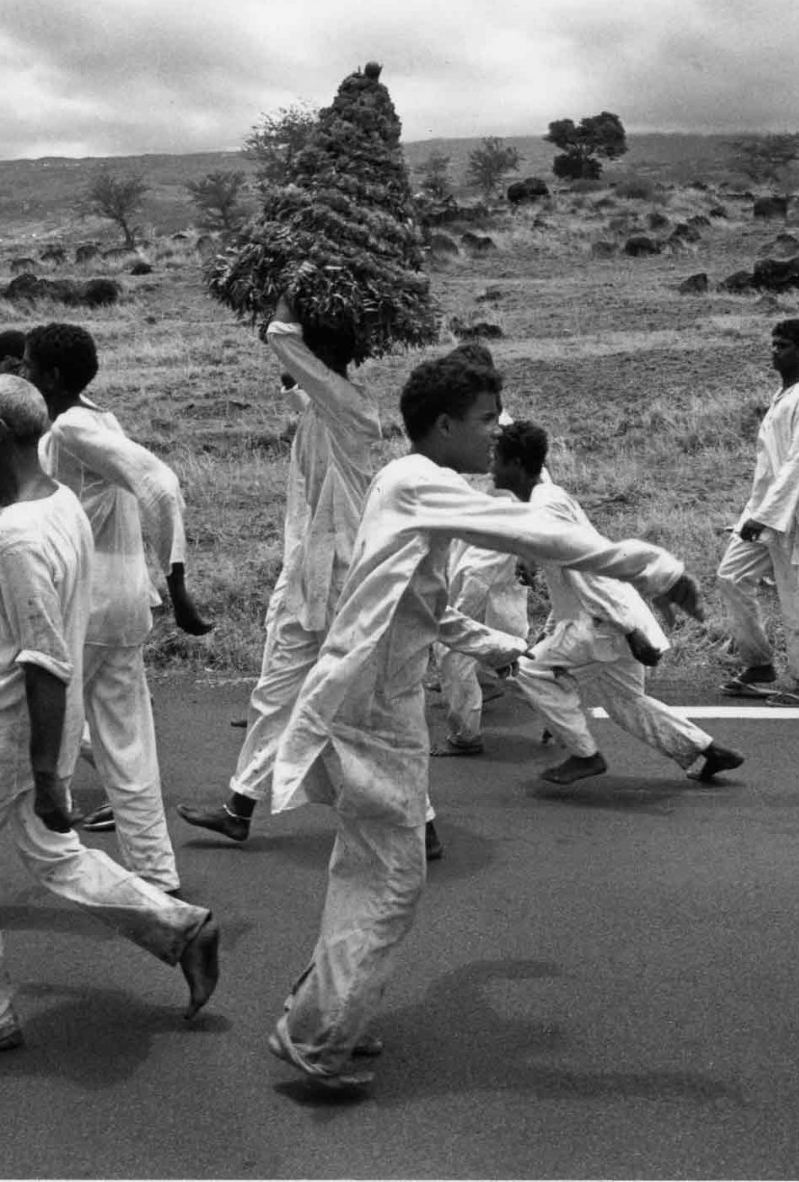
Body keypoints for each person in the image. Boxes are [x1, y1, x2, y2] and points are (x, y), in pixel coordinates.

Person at [264, 352, 703, 1091]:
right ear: (443, 425)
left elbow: (424, 609)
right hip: (377, 708)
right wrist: (657, 567)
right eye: (484, 419)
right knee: (394, 878)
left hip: (378, 696)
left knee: (365, 868)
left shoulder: (403, 484)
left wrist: (500, 645)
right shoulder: (420, 484)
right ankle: (314, 1036)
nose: (495, 431)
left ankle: (322, 1013)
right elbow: (536, 535)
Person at [0, 375, 219, 1056]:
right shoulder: (59, 504)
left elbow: (44, 659)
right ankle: (181, 928)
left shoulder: (17, 536)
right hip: (23, 733)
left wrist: (52, 775)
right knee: (59, 858)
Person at [10, 323, 211, 894]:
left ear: (50, 375)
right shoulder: (98, 419)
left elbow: (160, 483)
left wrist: (179, 584)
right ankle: (154, 871)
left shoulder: (73, 427)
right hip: (123, 603)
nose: (21, 374)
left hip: (86, 607)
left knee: (51, 738)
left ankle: (62, 867)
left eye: (27, 366)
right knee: (126, 743)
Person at [177, 296, 386, 842]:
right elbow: (295, 384)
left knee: (349, 712)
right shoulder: (325, 406)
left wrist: (291, 294)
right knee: (275, 694)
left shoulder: (351, 409)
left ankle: (416, 817)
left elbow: (279, 336)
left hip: (341, 581)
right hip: (308, 579)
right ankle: (240, 806)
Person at [488, 421, 745, 789]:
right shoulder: (547, 498)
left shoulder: (545, 508)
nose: (490, 468)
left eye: (496, 460)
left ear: (515, 463)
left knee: (531, 671)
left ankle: (584, 754)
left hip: (604, 623)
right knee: (625, 702)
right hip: (608, 619)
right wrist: (527, 559)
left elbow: (587, 572)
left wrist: (629, 629)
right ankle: (709, 749)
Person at [716, 318, 799, 707]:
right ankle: (760, 665)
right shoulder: (784, 394)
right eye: (773, 343)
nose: (774, 350)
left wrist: (765, 516)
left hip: (792, 515)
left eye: (782, 345)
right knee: (731, 576)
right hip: (764, 511)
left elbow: (798, 463)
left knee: (798, 595)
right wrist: (756, 513)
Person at [427, 340, 530, 758]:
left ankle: (464, 732)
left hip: (484, 548)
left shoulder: (486, 430)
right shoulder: (497, 425)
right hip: (490, 543)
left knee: (453, 638)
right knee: (502, 627)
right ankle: (545, 693)